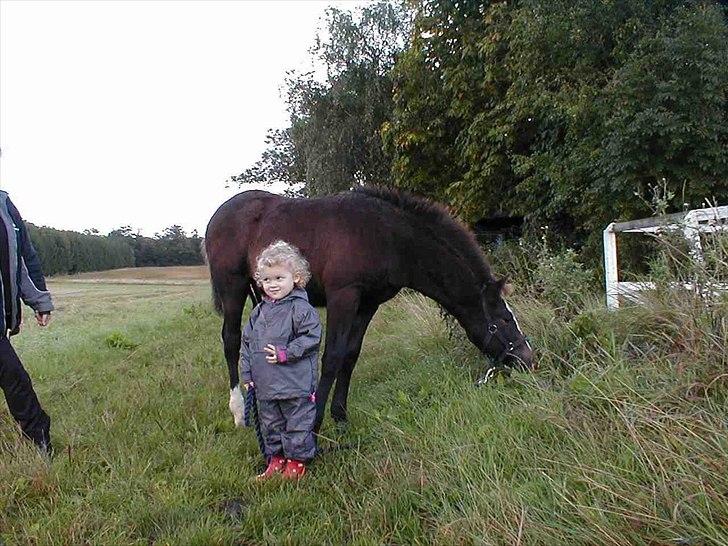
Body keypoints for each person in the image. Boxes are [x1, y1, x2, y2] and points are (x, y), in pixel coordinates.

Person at [240, 240, 321, 480]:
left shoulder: (302, 309)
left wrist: (286, 352)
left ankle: (296, 463)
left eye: (278, 278)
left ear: (295, 277)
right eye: (267, 280)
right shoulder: (258, 312)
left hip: (295, 384)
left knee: (297, 424)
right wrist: (247, 375)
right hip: (266, 386)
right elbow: (247, 345)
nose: (272, 285)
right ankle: (276, 460)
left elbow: (312, 338)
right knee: (270, 425)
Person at [0, 190, 54, 454]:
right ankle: (38, 437)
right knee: (15, 378)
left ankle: (39, 442)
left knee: (15, 379)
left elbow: (19, 259)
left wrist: (39, 300)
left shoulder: (4, 205)